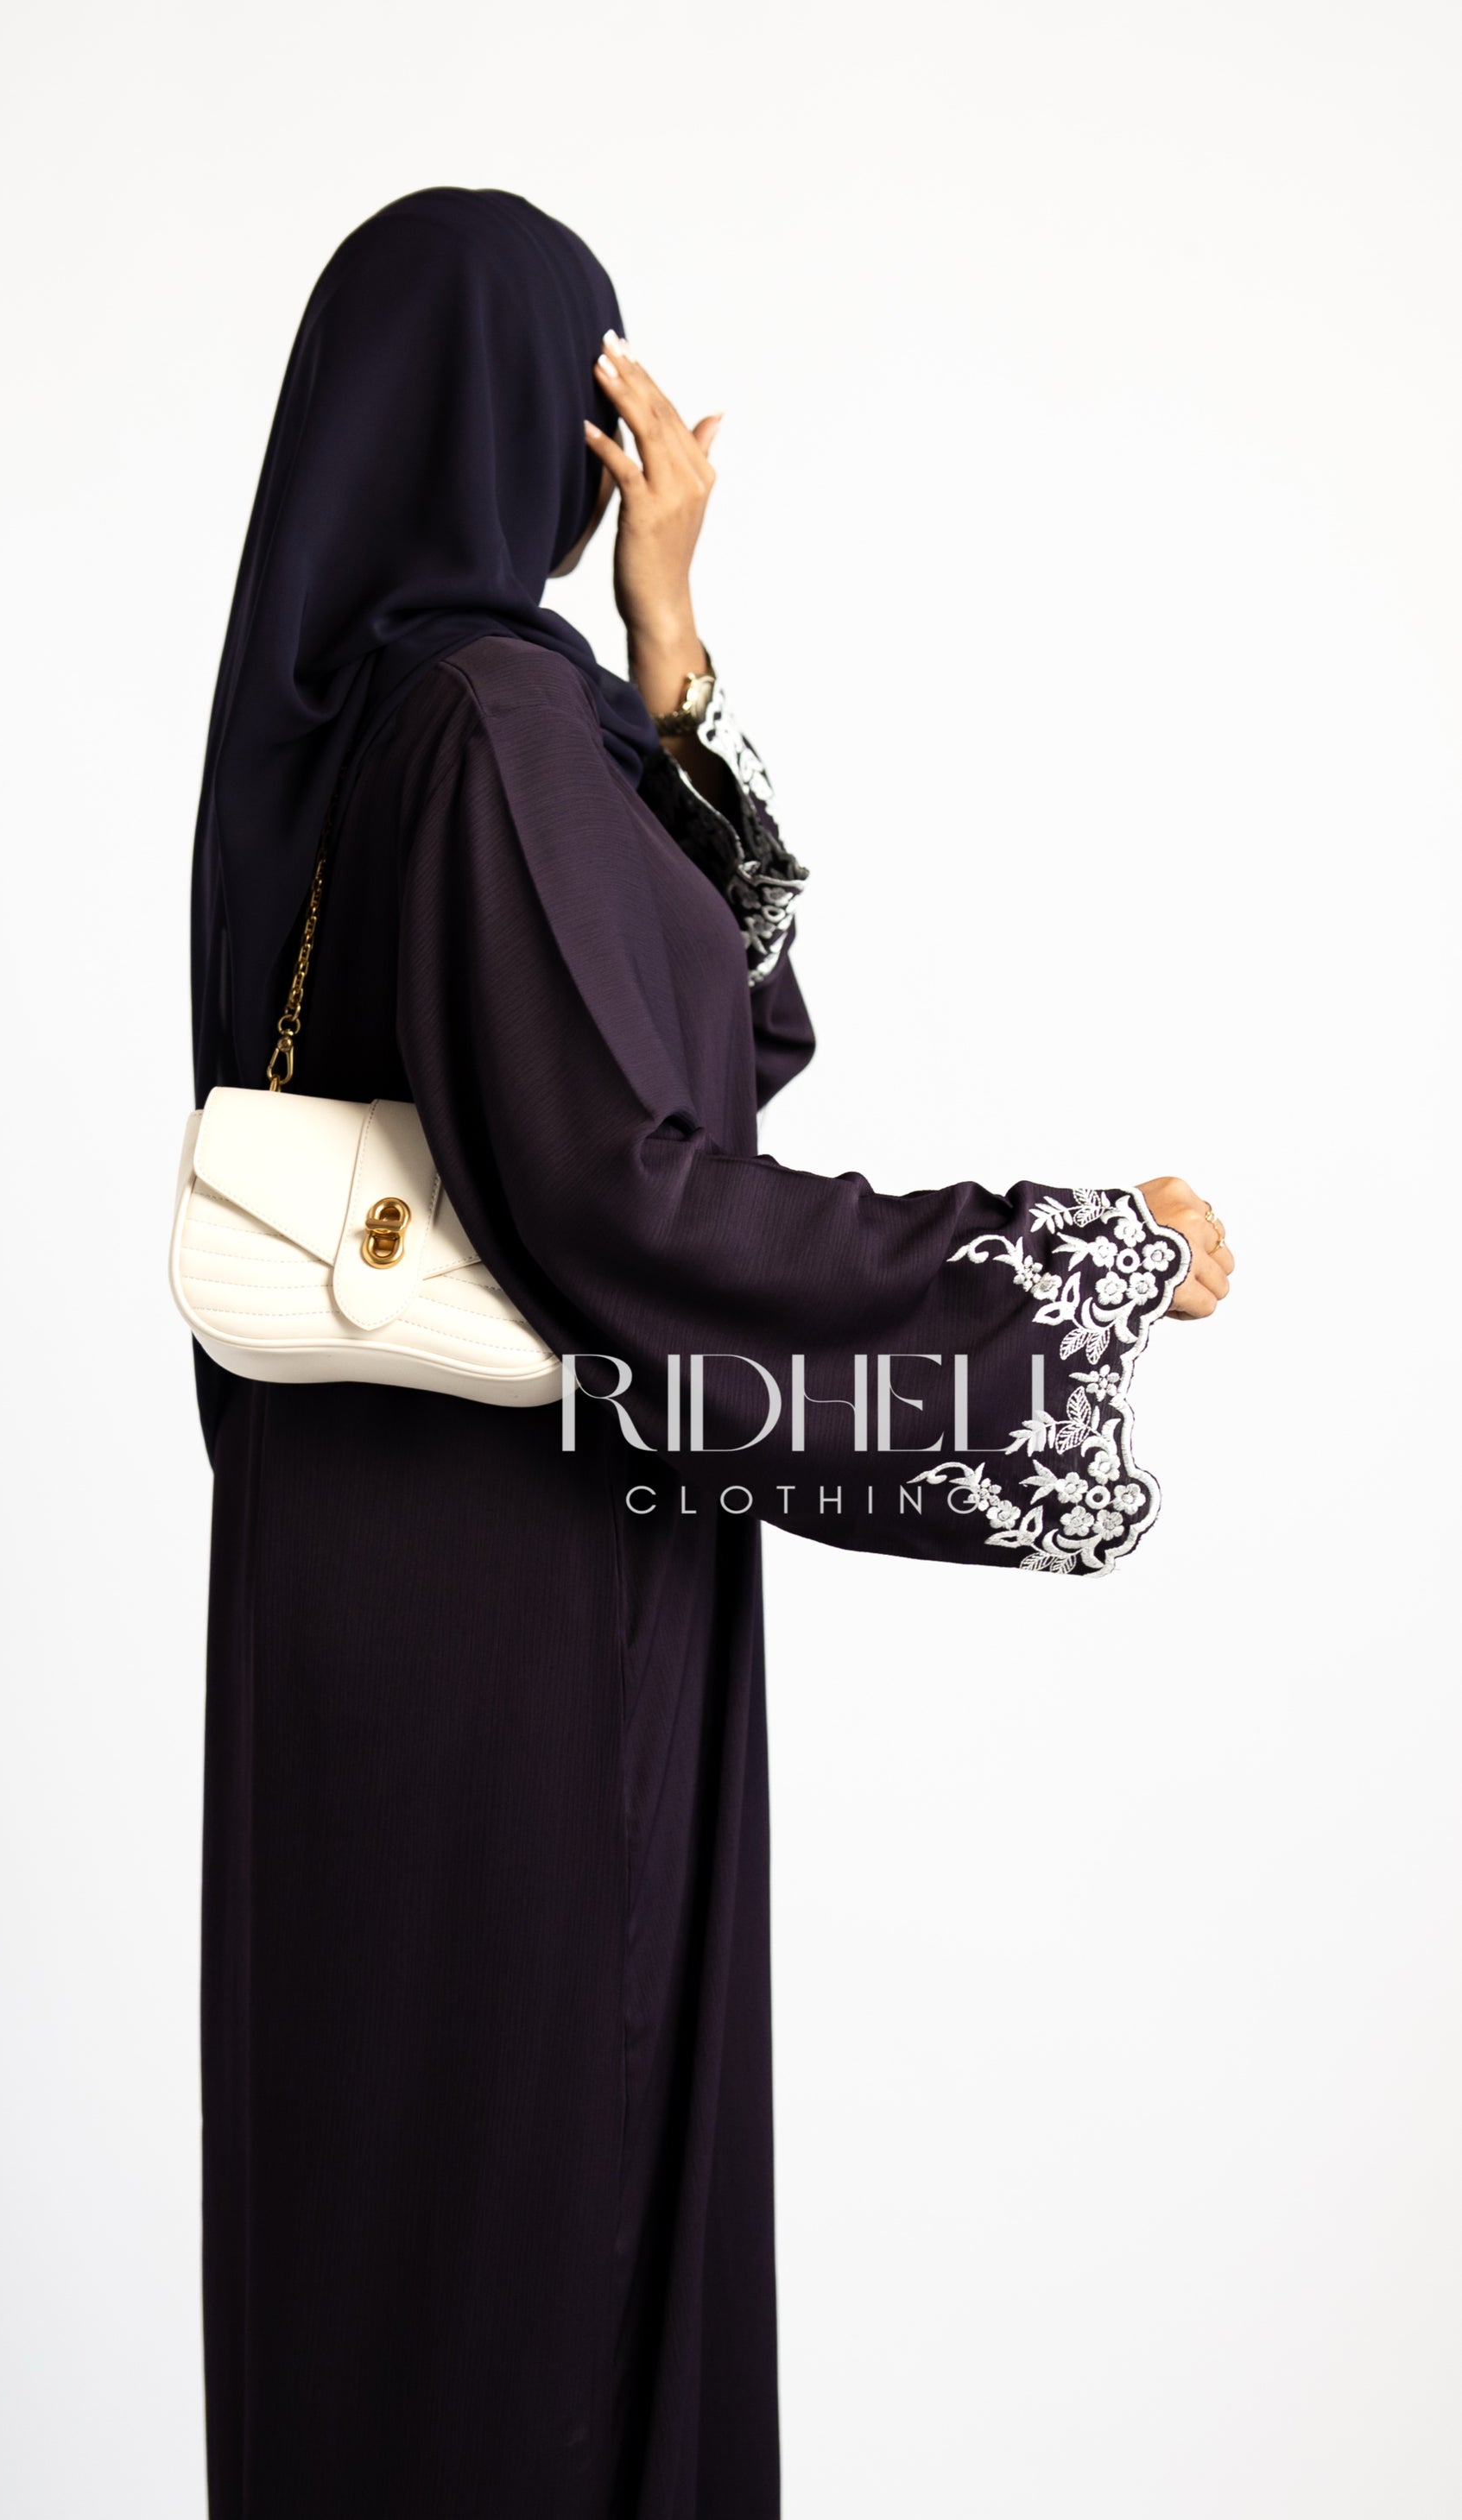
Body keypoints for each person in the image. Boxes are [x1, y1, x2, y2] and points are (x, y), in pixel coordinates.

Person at [187, 186, 1233, 2520]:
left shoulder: (360, 726)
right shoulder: (482, 720)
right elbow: (628, 1195)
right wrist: (1060, 1263)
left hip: (369, 1619)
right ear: (541, 421)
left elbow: (727, 1028)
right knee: (529, 2255)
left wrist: (670, 652)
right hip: (517, 1626)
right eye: (596, 392)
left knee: (396, 2232)